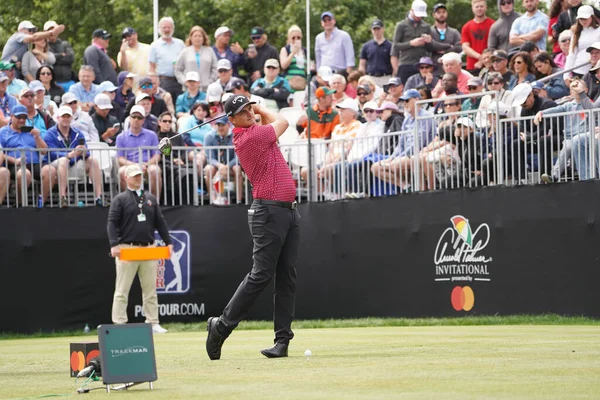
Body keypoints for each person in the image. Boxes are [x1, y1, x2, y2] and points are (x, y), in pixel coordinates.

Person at [205, 94, 299, 360]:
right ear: (232, 120)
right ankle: (221, 326)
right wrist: (261, 107)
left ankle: (282, 342)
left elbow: (274, 126)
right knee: (261, 275)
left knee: (287, 278)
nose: (248, 112)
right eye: (242, 111)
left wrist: (255, 109)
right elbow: (283, 121)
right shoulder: (249, 138)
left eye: (248, 108)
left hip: (289, 212)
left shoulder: (258, 132)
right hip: (267, 213)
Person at [107, 163, 172, 334]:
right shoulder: (120, 199)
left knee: (150, 290)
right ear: (126, 178)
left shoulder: (150, 198)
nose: (138, 178)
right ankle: (119, 324)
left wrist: (168, 242)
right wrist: (114, 244)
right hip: (127, 249)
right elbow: (112, 223)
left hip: (149, 249)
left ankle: (153, 322)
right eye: (134, 175)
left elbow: (160, 222)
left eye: (139, 175)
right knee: (121, 290)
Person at [43, 106, 104, 207]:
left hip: (73, 163)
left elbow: (86, 152)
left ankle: (99, 197)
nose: (66, 118)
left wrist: (83, 152)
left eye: (68, 116)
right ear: (58, 118)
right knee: (63, 160)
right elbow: (50, 153)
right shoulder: (50, 133)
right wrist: (68, 155)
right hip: (54, 164)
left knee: (93, 161)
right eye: (63, 116)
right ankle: (63, 197)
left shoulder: (77, 133)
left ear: (71, 118)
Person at [0, 104, 57, 205]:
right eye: (18, 117)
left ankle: (41, 201)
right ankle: (21, 203)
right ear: (12, 116)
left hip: (34, 163)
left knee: (50, 170)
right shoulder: (4, 132)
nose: (22, 120)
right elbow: (1, 153)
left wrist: (37, 137)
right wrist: (14, 160)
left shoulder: (32, 129)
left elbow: (44, 151)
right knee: (24, 173)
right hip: (14, 164)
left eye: (24, 117)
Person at [392, 0, 445, 84]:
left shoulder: (426, 26)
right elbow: (395, 46)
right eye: (417, 15)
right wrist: (411, 43)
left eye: (421, 15)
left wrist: (429, 41)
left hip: (422, 65)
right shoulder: (401, 25)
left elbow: (430, 49)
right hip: (406, 63)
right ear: (411, 10)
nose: (419, 17)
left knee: (424, 89)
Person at [116, 105, 162, 199]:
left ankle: (154, 202)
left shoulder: (152, 135)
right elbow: (120, 158)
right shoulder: (120, 137)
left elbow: (157, 156)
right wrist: (134, 165)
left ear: (143, 120)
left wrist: (145, 164)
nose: (136, 119)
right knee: (122, 171)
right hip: (130, 165)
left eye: (139, 117)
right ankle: (128, 202)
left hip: (147, 165)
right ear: (129, 118)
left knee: (155, 170)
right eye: (134, 116)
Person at [203, 116, 243, 204]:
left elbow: (239, 156)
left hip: (232, 165)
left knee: (237, 169)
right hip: (217, 166)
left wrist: (228, 166)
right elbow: (210, 157)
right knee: (208, 169)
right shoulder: (209, 136)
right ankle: (213, 200)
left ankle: (238, 200)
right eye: (218, 125)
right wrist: (219, 165)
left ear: (228, 125)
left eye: (222, 125)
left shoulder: (236, 135)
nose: (220, 128)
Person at [149, 17, 186, 102]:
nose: (167, 30)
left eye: (169, 27)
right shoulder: (154, 45)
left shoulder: (180, 44)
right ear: (159, 29)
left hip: (179, 81)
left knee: (180, 103)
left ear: (173, 28)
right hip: (164, 81)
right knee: (166, 104)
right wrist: (154, 83)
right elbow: (151, 67)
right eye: (164, 27)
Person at [175, 26, 218, 92]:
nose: (197, 38)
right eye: (195, 36)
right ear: (191, 38)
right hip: (189, 89)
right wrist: (185, 82)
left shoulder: (210, 51)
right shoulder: (185, 51)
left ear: (203, 38)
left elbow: (215, 68)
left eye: (200, 36)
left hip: (206, 89)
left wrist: (210, 81)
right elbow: (178, 70)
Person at [564, 6, 600, 82]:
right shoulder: (576, 33)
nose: (583, 21)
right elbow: (572, 55)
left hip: (595, 71)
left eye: (585, 18)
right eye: (581, 19)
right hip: (578, 71)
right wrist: (566, 75)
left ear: (592, 17)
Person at [461, 0, 495, 73]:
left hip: (490, 65)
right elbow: (465, 47)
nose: (479, 9)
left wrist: (484, 60)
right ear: (472, 9)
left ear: (486, 7)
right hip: (472, 65)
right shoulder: (466, 26)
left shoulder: (493, 24)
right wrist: (480, 57)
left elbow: (495, 45)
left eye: (481, 6)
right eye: (477, 7)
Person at [359, 19, 393, 88]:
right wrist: (363, 77)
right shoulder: (366, 46)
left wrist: (393, 77)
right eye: (374, 29)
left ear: (383, 29)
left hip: (386, 77)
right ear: (371, 30)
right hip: (371, 77)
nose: (376, 31)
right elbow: (362, 64)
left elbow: (394, 63)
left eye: (378, 29)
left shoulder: (390, 46)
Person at [430, 3, 462, 75]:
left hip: (452, 70)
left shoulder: (454, 31)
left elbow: (459, 47)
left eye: (443, 12)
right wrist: (449, 46)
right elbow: (429, 45)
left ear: (447, 14)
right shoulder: (429, 31)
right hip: (434, 69)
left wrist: (445, 52)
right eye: (438, 12)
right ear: (434, 15)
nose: (441, 14)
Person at [44, 20, 75, 91]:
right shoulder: (44, 46)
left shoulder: (65, 44)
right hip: (53, 83)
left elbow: (71, 58)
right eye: (49, 30)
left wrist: (55, 58)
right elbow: (49, 60)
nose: (52, 32)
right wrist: (61, 55)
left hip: (68, 82)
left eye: (53, 29)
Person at [279, 25, 308, 91]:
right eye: (293, 38)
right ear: (289, 39)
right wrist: (293, 53)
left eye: (298, 38)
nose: (296, 40)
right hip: (289, 83)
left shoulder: (305, 51)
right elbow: (283, 66)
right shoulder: (285, 50)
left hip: (302, 83)